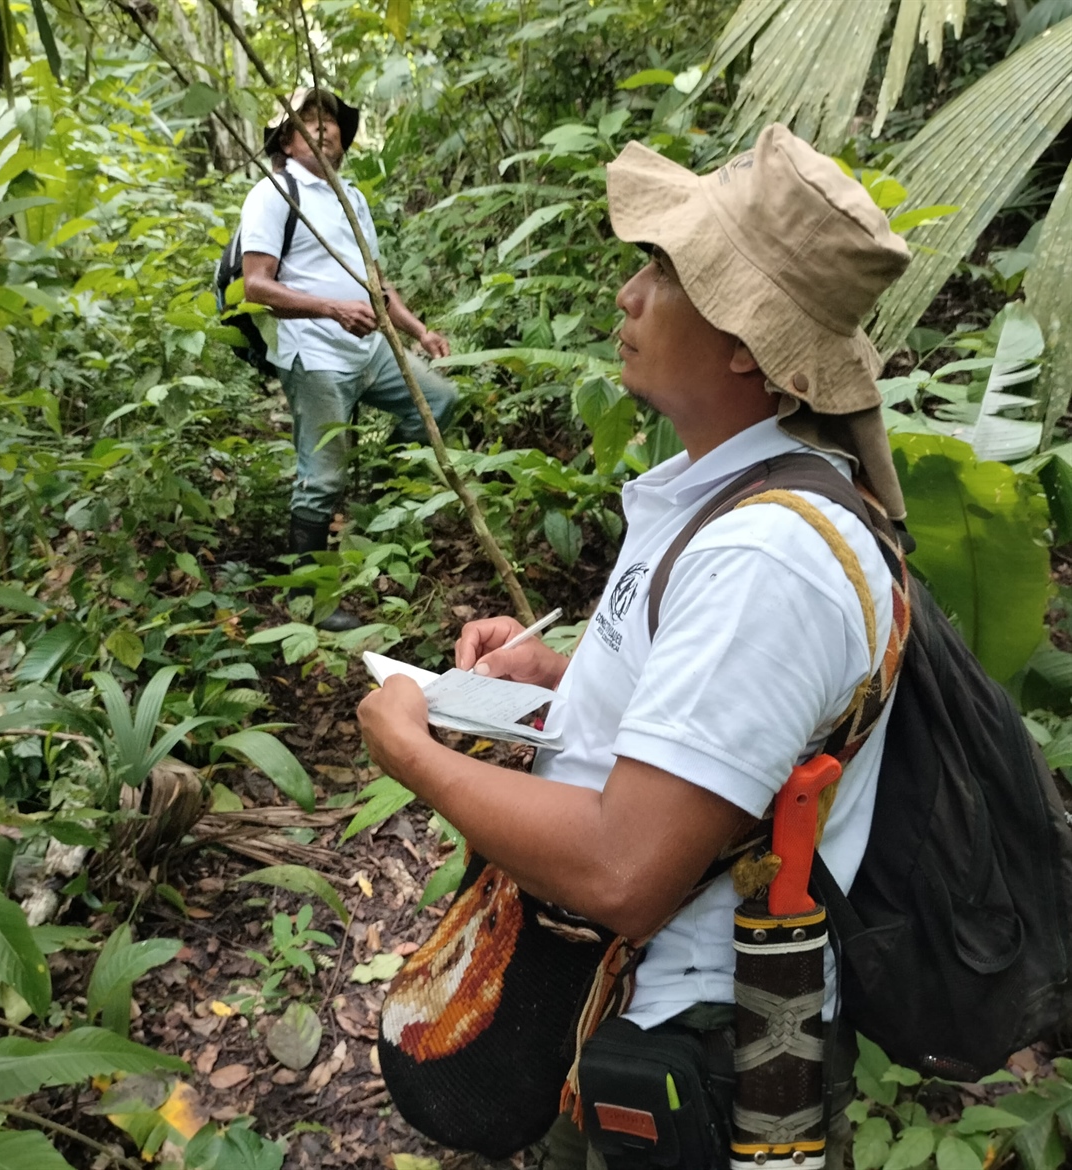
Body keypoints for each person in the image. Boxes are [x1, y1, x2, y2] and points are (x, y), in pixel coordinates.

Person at [357, 123, 913, 1168]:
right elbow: (728, 719)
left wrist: (415, 756)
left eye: (663, 268)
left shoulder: (768, 558)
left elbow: (624, 867)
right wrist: (558, 681)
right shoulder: (735, 498)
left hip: (680, 1033)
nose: (628, 292)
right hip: (615, 1002)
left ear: (746, 342)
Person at [239, 87, 458, 631]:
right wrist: (330, 308)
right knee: (322, 477)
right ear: (286, 140)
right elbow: (256, 287)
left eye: (329, 118)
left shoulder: (352, 199)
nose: (324, 127)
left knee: (438, 400)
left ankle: (381, 518)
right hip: (315, 356)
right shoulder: (274, 195)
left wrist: (419, 330)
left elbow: (378, 283)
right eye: (308, 119)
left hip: (372, 347)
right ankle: (314, 601)